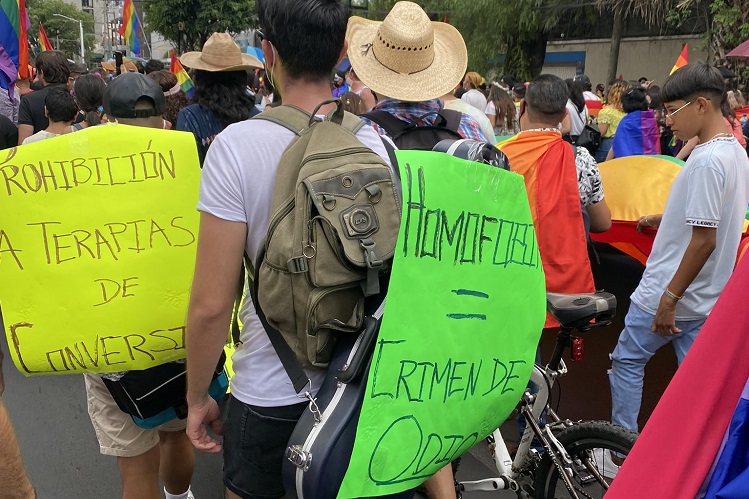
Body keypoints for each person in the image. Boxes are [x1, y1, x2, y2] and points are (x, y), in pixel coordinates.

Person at [183, 2, 395, 499]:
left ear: (270, 52)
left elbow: (212, 304)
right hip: (355, 389)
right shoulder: (378, 146)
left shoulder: (234, 147)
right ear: (342, 51)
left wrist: (197, 398)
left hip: (267, 392)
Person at [608, 64, 749, 449]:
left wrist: (669, 298)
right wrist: (664, 217)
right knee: (701, 389)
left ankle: (618, 450)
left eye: (672, 111)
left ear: (701, 105)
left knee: (626, 362)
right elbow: (716, 220)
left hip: (667, 294)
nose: (666, 121)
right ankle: (698, 460)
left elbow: (704, 241)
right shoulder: (736, 153)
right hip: (706, 298)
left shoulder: (704, 161)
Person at [82, 72, 196, 499]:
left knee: (136, 472)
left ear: (107, 120)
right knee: (175, 432)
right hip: (176, 334)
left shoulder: (76, 174)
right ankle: (181, 496)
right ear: (163, 122)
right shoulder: (187, 165)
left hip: (109, 344)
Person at [498, 75, 609, 312]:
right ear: (564, 115)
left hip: (505, 275)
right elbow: (602, 222)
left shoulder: (496, 157)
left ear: (523, 107)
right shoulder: (581, 160)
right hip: (561, 285)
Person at [176, 33, 263, 166]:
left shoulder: (190, 117)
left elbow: (186, 169)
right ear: (241, 78)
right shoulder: (257, 116)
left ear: (200, 77)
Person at [18, 50, 71, 144]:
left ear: (41, 73)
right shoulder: (77, 98)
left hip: (39, 156)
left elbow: (23, 143)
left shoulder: (29, 101)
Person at [606, 88, 660, 160]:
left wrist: (606, 162)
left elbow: (618, 144)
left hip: (631, 163)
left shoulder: (626, 122)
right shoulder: (651, 119)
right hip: (651, 161)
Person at [595, 80, 631, 162]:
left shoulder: (607, 111)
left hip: (607, 145)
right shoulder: (628, 112)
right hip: (624, 145)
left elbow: (601, 132)